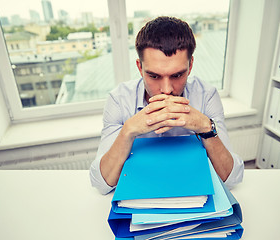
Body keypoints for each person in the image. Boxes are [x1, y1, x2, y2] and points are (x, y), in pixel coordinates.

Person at [90, 16, 244, 195]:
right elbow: (101, 184)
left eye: (177, 75)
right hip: (140, 191)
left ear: (190, 65)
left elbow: (232, 179)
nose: (166, 90)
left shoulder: (206, 95)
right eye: (154, 76)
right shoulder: (119, 99)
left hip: (191, 191)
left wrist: (206, 128)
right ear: (140, 68)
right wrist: (128, 131)